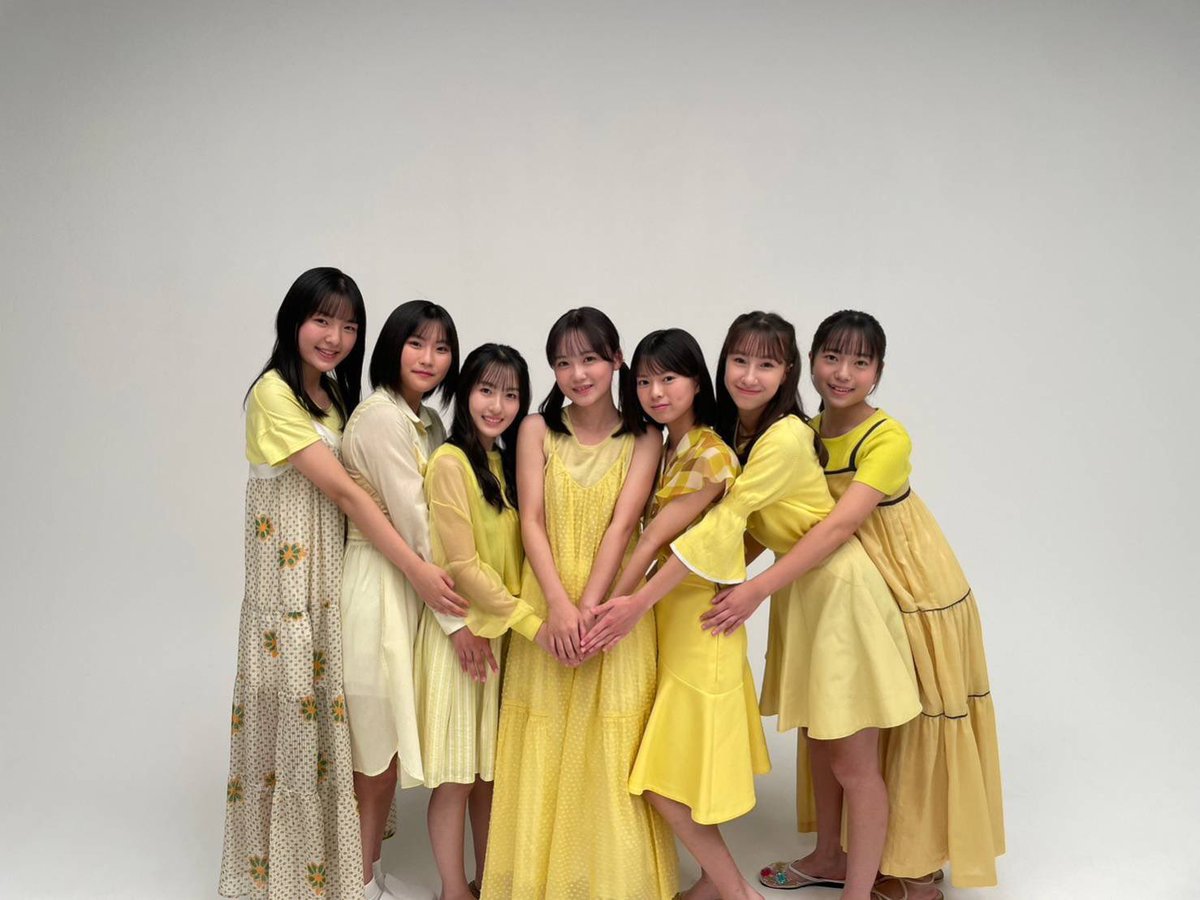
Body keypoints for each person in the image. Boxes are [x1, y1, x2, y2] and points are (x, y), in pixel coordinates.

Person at [607, 312, 921, 900]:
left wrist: (647, 599)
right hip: (801, 593)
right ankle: (829, 858)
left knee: (852, 761)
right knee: (821, 745)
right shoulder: (739, 435)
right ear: (721, 364)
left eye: (767, 364)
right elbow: (747, 531)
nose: (750, 376)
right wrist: (723, 581)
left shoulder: (785, 437)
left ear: (788, 371)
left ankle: (856, 894)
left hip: (841, 595)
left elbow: (735, 521)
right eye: (740, 361)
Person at [719, 310, 1002, 897]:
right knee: (826, 732)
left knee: (903, 733)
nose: (843, 373)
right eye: (832, 357)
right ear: (810, 362)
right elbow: (783, 520)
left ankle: (899, 866)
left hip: (910, 585)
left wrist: (754, 590)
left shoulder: (886, 437)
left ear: (878, 371)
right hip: (821, 587)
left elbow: (839, 526)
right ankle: (832, 856)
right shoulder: (802, 430)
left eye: (860, 362)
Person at [220, 270, 465, 900]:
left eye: (349, 325)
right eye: (322, 320)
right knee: (301, 730)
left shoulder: (334, 394)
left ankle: (349, 872)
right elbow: (349, 494)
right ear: (293, 321)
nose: (335, 337)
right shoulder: (274, 394)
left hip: (333, 579)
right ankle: (299, 875)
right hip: (290, 587)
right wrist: (419, 571)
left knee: (339, 735)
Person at [480, 308, 678, 900]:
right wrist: (559, 609)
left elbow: (623, 527)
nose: (578, 373)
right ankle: (539, 880)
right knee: (542, 740)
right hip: (548, 603)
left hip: (611, 608)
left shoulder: (646, 436)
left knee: (611, 745)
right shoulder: (536, 429)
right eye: (563, 362)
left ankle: (609, 883)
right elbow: (531, 522)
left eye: (590, 358)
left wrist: (587, 612)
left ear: (616, 360)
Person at [581, 328, 771, 900]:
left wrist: (605, 611)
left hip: (697, 629)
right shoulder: (669, 447)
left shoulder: (709, 453)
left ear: (696, 381)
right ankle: (716, 884)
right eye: (644, 380)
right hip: (673, 622)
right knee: (678, 773)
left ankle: (737, 893)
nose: (656, 392)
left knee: (664, 782)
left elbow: (652, 542)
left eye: (669, 377)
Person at [339, 300, 468, 900]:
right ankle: (360, 881)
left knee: (386, 746)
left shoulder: (429, 423)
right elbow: (418, 524)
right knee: (373, 748)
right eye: (417, 343)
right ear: (392, 346)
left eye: (441, 348)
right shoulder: (380, 419)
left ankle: (366, 871)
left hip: (415, 588)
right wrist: (458, 618)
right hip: (380, 585)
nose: (429, 358)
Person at [413, 343, 539, 900]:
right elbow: (459, 564)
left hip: (500, 638)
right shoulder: (449, 462)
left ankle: (489, 883)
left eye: (510, 395)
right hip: (461, 637)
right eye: (486, 390)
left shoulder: (502, 465)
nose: (497, 405)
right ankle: (452, 889)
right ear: (465, 393)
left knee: (489, 775)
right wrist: (528, 622)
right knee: (457, 777)